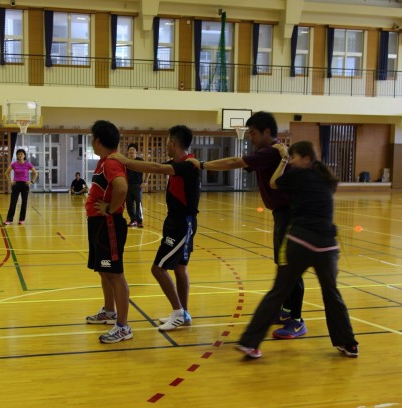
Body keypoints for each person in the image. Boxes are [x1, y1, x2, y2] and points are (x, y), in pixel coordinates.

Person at [235, 141, 359, 359]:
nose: (292, 161)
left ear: (306, 159)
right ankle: (348, 343)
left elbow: (273, 183)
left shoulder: (296, 176)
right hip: (328, 245)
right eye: (290, 157)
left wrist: (283, 159)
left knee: (278, 292)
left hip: (301, 241)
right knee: (332, 294)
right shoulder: (326, 178)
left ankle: (249, 342)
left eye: (294, 157)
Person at [191, 111, 306, 339]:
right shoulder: (271, 152)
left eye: (253, 133)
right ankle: (286, 312)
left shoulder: (270, 151)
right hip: (282, 214)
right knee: (283, 264)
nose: (250, 138)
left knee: (290, 267)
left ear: (266, 132)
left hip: (292, 215)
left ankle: (297, 320)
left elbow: (235, 162)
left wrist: (202, 165)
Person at [110, 125, 199, 331]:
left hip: (182, 224)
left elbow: (157, 168)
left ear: (173, 143)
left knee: (158, 269)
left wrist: (124, 160)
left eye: (167, 141)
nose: (166, 144)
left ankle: (178, 312)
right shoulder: (178, 163)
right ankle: (184, 314)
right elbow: (153, 166)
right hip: (176, 222)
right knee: (180, 268)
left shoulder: (188, 165)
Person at [84, 120, 132, 344]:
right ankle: (110, 311)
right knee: (104, 271)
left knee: (115, 274)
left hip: (108, 224)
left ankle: (123, 326)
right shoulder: (104, 161)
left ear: (97, 140)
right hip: (98, 224)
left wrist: (111, 209)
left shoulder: (111, 163)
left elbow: (122, 188)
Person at [4, 148, 38, 225]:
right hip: (16, 185)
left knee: (24, 203)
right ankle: (9, 219)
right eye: (19, 154)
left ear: (24, 155)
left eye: (22, 154)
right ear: (17, 155)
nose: (20, 155)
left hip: (25, 185)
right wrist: (10, 181)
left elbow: (35, 173)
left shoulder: (28, 164)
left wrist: (31, 182)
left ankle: (21, 219)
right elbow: (6, 173)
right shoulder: (14, 164)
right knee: (13, 203)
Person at [125, 143, 147, 228]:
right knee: (129, 204)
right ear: (128, 151)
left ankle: (139, 221)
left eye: (133, 150)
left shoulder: (140, 161)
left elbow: (148, 170)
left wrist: (145, 181)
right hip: (128, 186)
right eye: (130, 149)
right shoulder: (126, 162)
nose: (131, 151)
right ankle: (133, 220)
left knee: (138, 204)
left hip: (138, 186)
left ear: (136, 151)